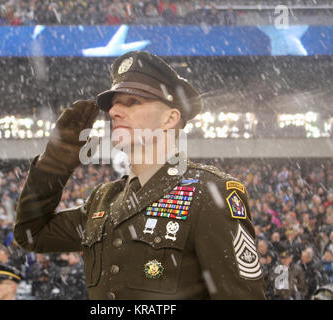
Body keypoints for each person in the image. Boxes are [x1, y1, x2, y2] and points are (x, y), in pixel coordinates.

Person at [14, 51, 266, 299]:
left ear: (170, 118)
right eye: (114, 104)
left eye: (133, 101)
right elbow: (31, 234)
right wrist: (56, 160)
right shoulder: (104, 199)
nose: (113, 112)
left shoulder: (209, 193)